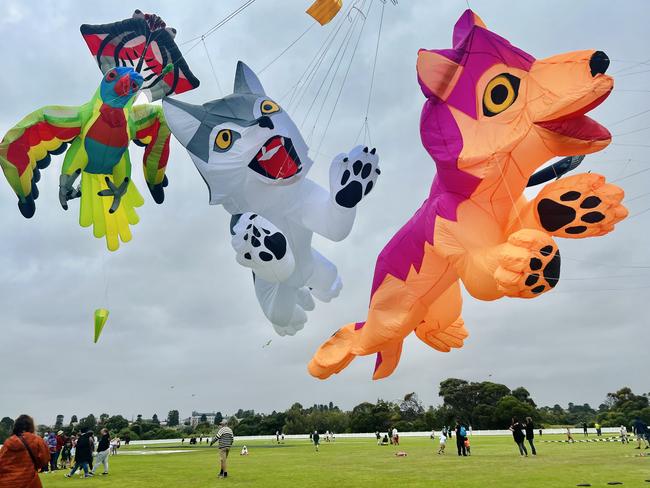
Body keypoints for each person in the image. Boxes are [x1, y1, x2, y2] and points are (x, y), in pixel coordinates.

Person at [0, 414, 50, 488]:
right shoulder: (37, 440)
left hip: (7, 483)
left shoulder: (8, 442)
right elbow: (44, 459)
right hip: (29, 482)